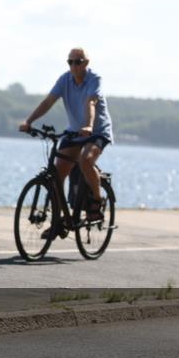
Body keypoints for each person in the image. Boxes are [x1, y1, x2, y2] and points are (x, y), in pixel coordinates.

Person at [19, 47, 113, 238]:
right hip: (75, 132)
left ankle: (97, 201)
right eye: (70, 62)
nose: (73, 66)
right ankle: (59, 221)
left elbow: (91, 102)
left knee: (86, 160)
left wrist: (89, 125)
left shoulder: (94, 79)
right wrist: (29, 121)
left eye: (78, 62)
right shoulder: (64, 80)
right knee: (56, 175)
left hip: (97, 131)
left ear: (86, 63)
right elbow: (48, 101)